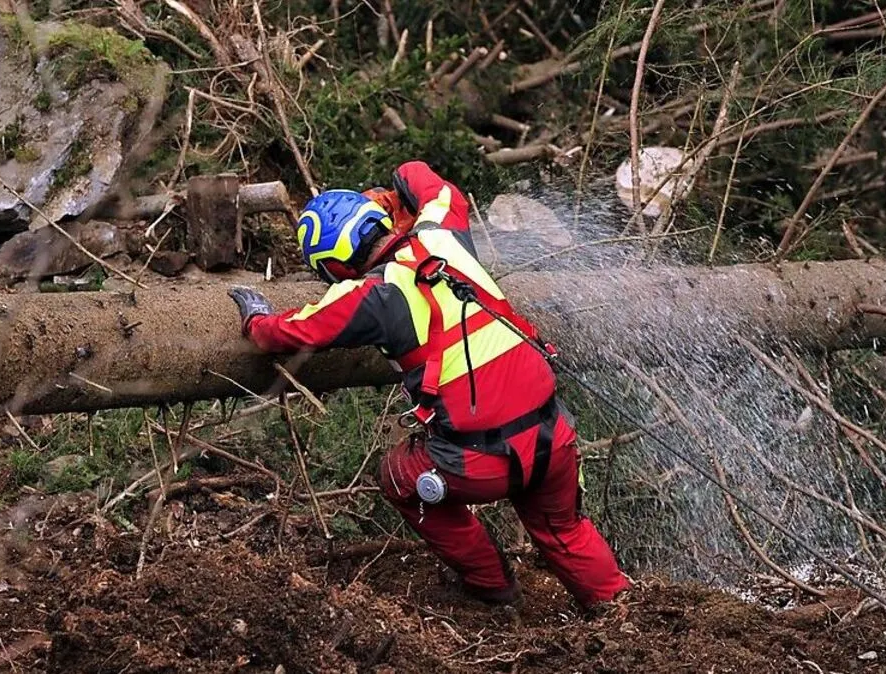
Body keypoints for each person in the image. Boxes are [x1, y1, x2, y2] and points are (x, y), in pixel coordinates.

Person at [227, 160, 630, 612]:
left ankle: (491, 586)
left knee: (399, 478)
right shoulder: (442, 232)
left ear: (336, 265)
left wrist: (255, 315)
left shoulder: (368, 295)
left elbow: (286, 333)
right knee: (564, 530)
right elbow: (419, 174)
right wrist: (394, 194)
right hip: (552, 437)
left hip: (477, 462)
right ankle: (619, 612)